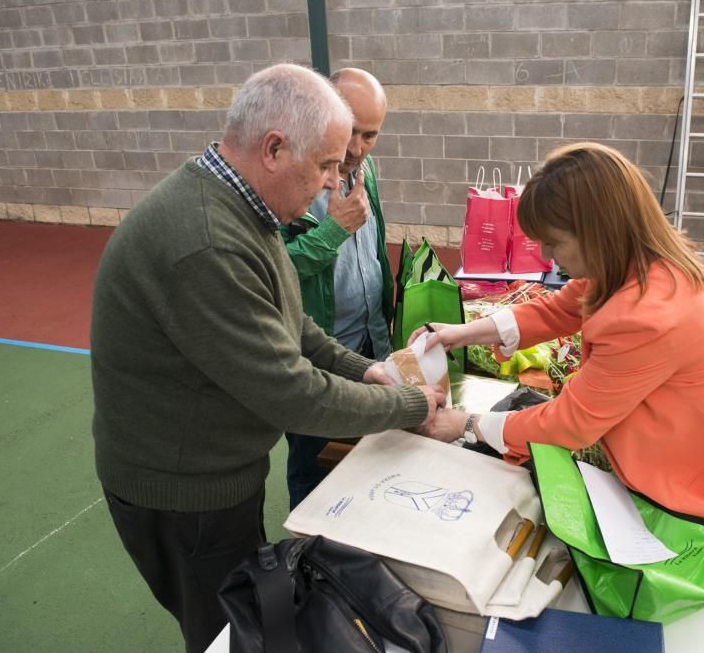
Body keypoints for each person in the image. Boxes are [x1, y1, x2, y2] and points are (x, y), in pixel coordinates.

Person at [90, 63, 445, 653]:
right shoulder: (206, 241)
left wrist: (369, 369)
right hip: (185, 492)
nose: (336, 183)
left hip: (213, 472)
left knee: (250, 619)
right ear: (275, 148)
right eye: (328, 165)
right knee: (228, 633)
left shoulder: (244, 209)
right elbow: (292, 392)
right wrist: (407, 404)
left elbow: (293, 325)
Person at [415, 142, 704, 653]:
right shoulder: (642, 262)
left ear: (597, 229)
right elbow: (563, 306)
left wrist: (468, 426)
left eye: (555, 242)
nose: (549, 257)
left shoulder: (645, 311)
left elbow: (574, 420)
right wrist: (462, 332)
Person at [281, 68, 393, 508]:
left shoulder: (366, 168)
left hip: (370, 342)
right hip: (318, 355)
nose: (356, 148)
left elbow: (374, 248)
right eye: (350, 131)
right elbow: (268, 270)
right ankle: (307, 557)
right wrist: (332, 231)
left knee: (369, 457)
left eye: (370, 135)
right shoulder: (291, 177)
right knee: (315, 468)